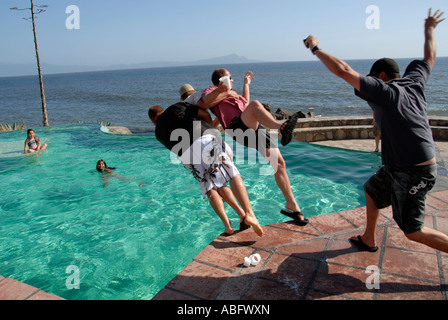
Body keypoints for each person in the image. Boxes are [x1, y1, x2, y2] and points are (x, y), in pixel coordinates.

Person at [304, 8, 448, 253]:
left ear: (381, 76)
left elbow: (343, 70)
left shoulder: (384, 90)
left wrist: (315, 48)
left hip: (415, 170)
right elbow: (430, 57)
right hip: (397, 166)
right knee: (372, 189)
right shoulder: (414, 81)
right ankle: (369, 238)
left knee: (413, 230)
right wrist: (429, 30)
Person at [201, 69, 308, 225]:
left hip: (253, 126)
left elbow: (244, 104)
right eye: (230, 78)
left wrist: (246, 84)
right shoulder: (213, 91)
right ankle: (281, 128)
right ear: (222, 79)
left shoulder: (233, 93)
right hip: (237, 127)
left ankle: (292, 205)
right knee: (256, 105)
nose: (232, 80)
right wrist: (221, 89)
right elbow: (205, 101)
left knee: (279, 164)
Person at [148, 102, 263, 236]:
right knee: (231, 174)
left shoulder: (158, 132)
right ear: (162, 110)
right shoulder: (176, 107)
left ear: (153, 120)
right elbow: (204, 114)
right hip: (203, 138)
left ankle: (228, 225)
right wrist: (210, 129)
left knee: (209, 187)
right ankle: (249, 213)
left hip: (186, 155)